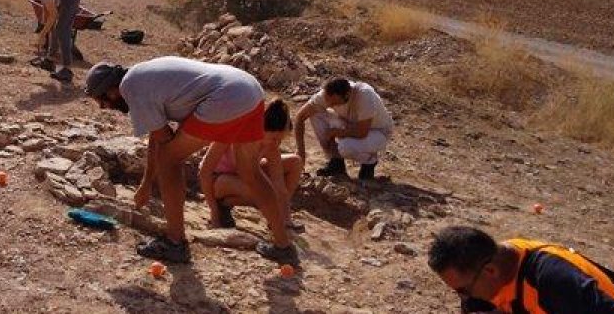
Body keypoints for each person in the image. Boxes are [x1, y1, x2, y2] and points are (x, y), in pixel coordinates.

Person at [84, 57, 298, 266]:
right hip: (249, 90)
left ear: (110, 90)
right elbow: (157, 137)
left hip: (226, 97)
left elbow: (165, 145)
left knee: (170, 160)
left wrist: (149, 183)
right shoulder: (143, 74)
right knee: (250, 171)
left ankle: (175, 242)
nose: (104, 108)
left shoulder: (130, 87)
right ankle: (283, 246)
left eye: (102, 101)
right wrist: (146, 183)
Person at [428, 225, 614, 313]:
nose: (464, 300)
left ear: (490, 271)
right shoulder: (488, 265)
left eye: (463, 290)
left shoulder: (555, 279)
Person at [199, 98, 303, 232]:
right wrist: (214, 213)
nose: (276, 143)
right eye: (273, 138)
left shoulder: (271, 148)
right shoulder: (234, 133)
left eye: (280, 140)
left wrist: (286, 220)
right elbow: (204, 171)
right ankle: (221, 206)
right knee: (262, 191)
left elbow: (280, 187)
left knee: (295, 162)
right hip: (219, 181)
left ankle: (277, 218)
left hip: (244, 177)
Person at [293, 77, 393, 180]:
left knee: (345, 147)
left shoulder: (365, 95)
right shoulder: (326, 95)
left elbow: (362, 132)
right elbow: (300, 117)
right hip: (350, 123)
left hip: (376, 132)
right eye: (329, 102)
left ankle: (369, 162)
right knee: (315, 113)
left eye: (334, 103)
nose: (330, 105)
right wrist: (301, 152)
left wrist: (335, 132)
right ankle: (336, 163)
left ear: (347, 95)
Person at [7, 0, 81, 82]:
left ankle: (67, 70)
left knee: (62, 29)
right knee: (54, 27)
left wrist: (42, 35)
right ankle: (49, 61)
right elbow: (46, 10)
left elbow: (53, 15)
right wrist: (43, 27)